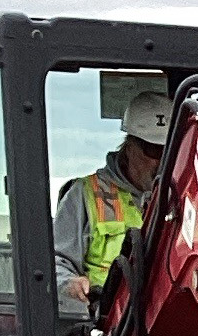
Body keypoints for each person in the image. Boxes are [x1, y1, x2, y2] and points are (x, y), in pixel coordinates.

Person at [54, 89, 170, 316]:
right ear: (129, 146)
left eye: (170, 151)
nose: (162, 161)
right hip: (103, 324)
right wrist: (70, 283)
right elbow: (55, 262)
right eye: (153, 150)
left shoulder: (184, 198)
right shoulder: (86, 194)